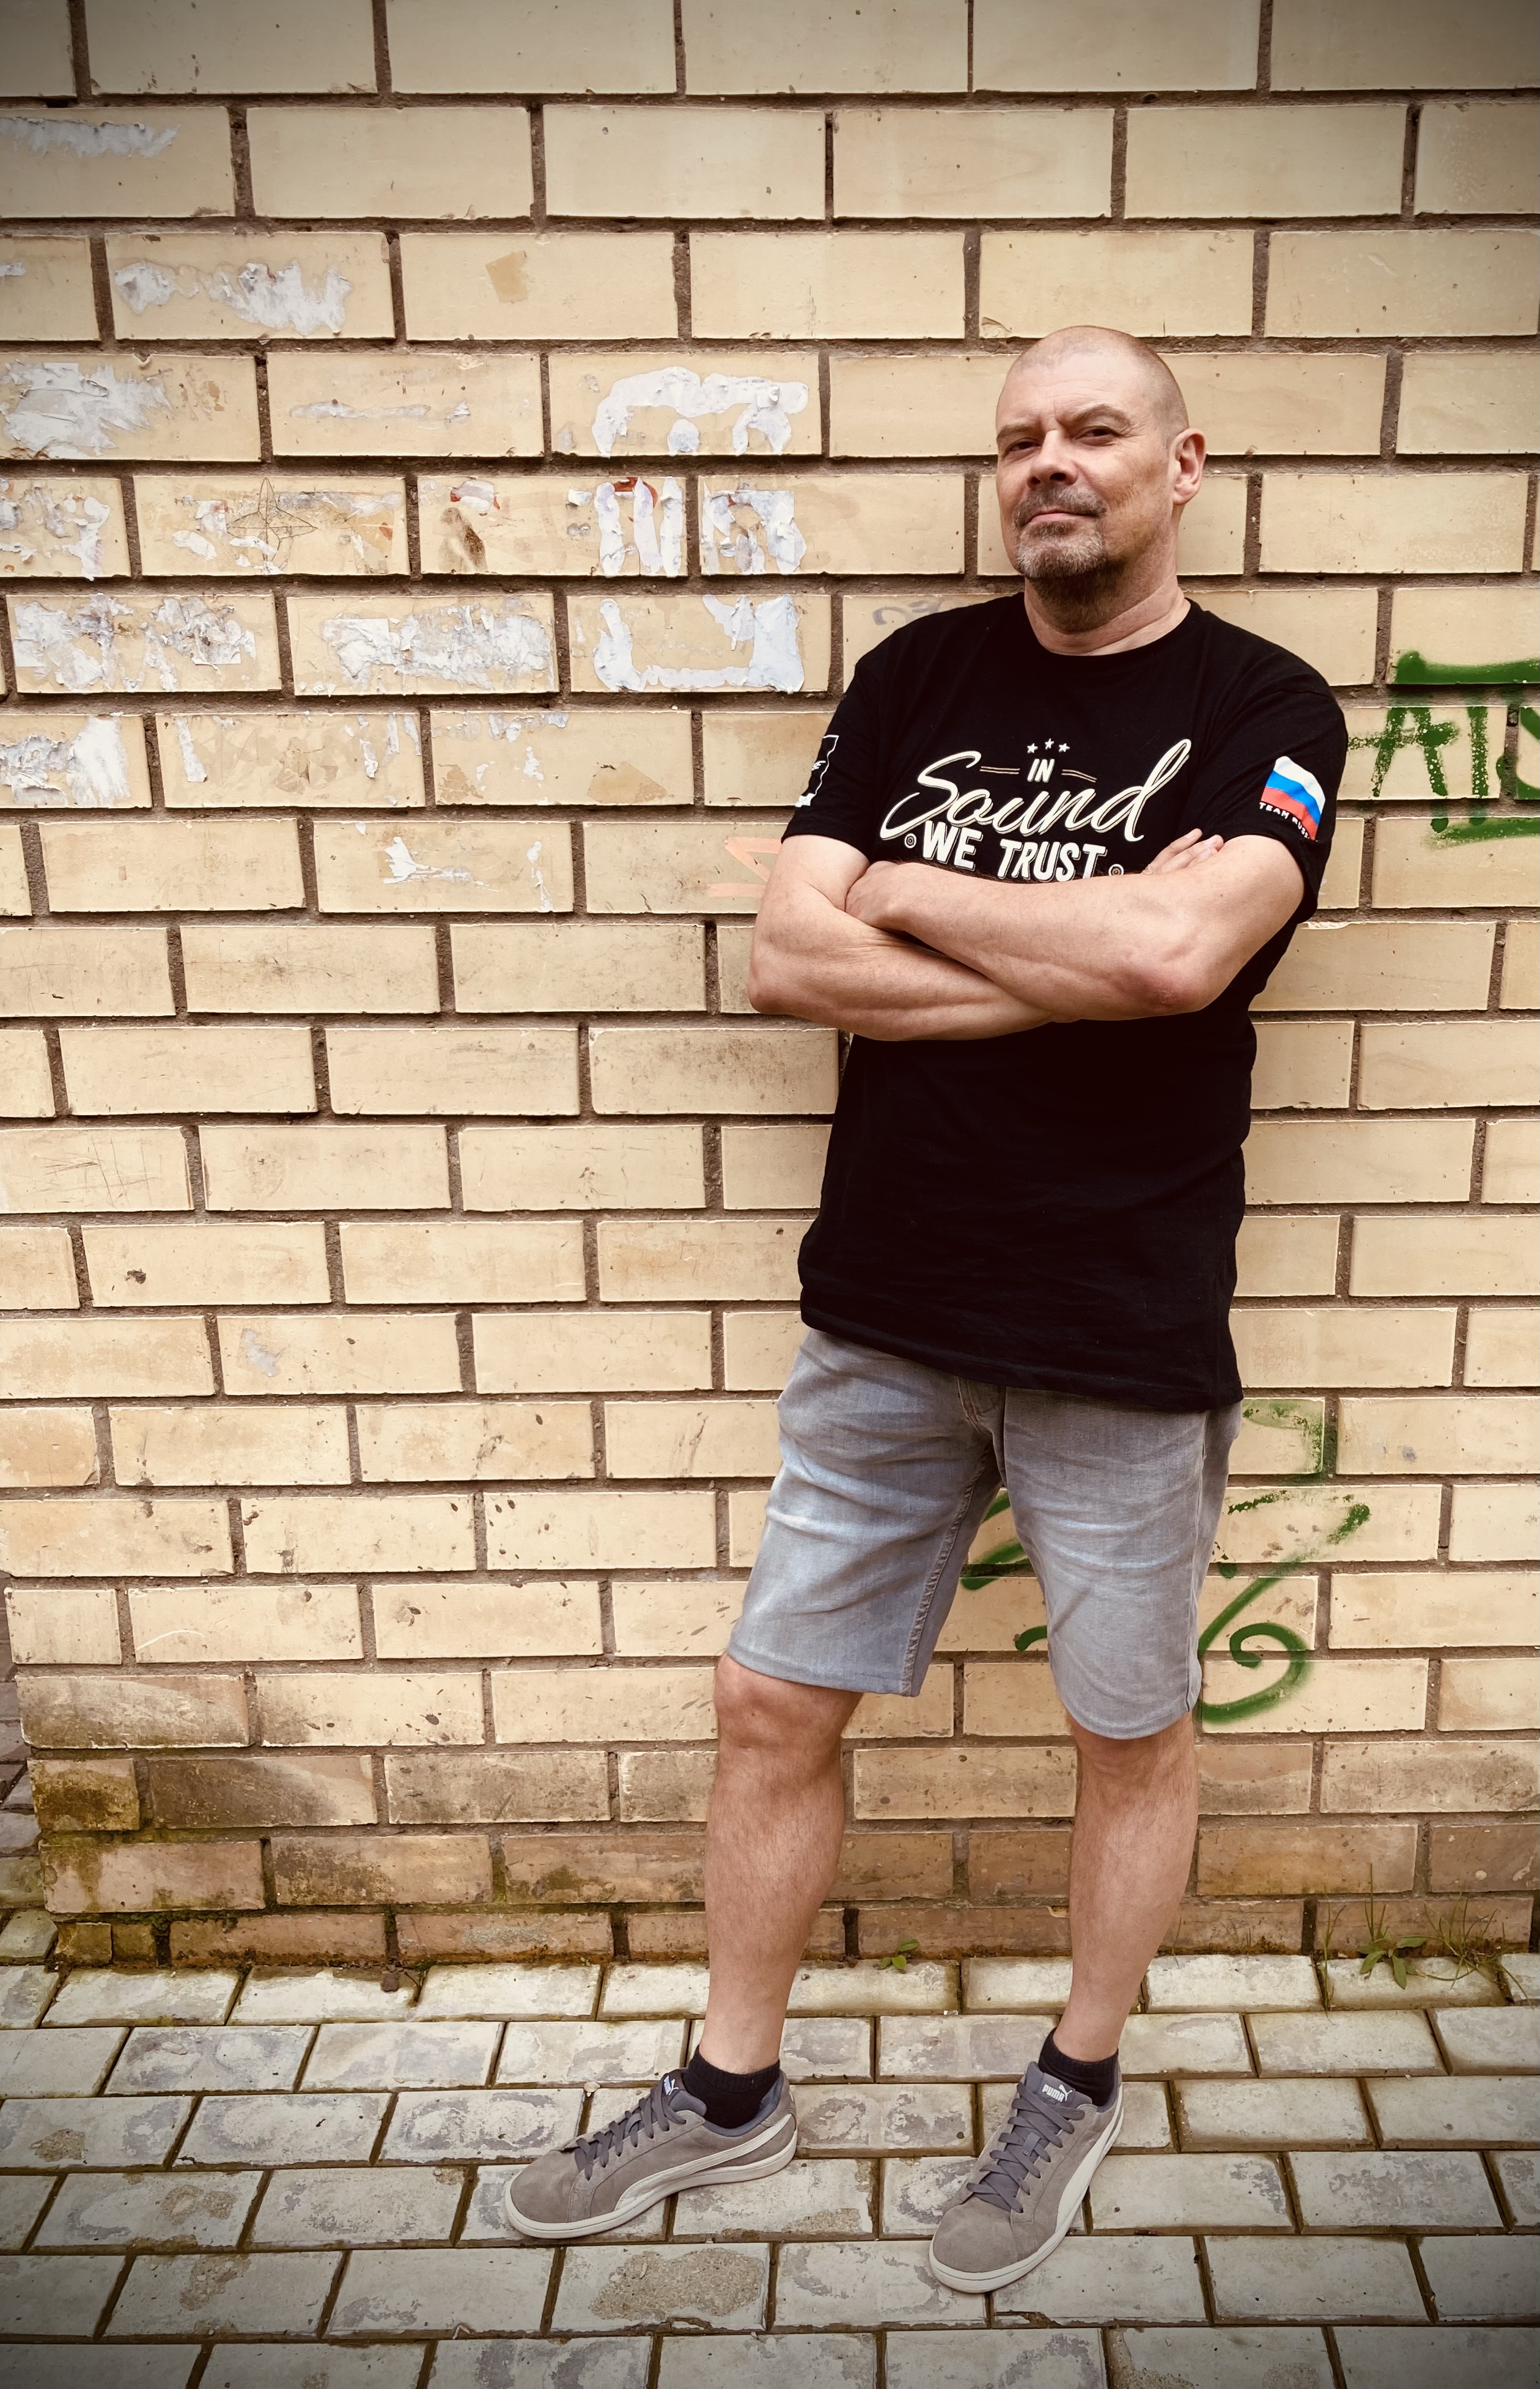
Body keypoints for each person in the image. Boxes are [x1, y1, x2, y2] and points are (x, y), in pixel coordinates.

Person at [507, 323, 1346, 2286]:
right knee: (769, 1702)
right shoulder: (915, 676)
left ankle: (1076, 2079)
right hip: (883, 1311)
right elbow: (786, 963)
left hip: (1120, 1326)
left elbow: (1180, 958)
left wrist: (903, 891)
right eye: (1022, 435)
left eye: (1096, 429)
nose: (1053, 461)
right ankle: (732, 2091)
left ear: (1181, 465)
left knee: (1127, 1729)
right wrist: (1077, 955)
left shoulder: (1266, 702)